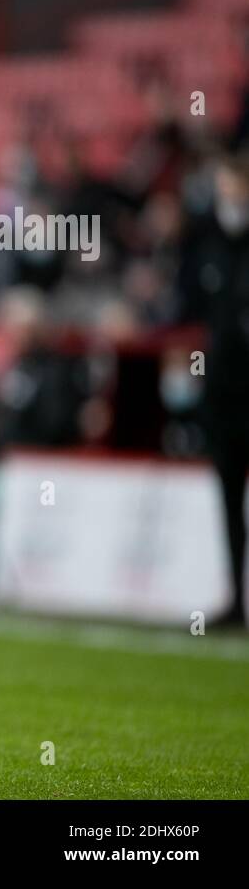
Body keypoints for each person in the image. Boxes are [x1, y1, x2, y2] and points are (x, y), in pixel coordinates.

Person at [180, 151, 249, 628]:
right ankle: (236, 595)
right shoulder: (207, 239)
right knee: (226, 497)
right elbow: (189, 305)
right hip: (223, 393)